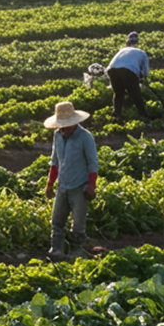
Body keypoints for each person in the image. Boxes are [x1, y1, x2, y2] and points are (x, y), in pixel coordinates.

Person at [44, 101, 99, 262]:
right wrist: (50, 183)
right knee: (57, 221)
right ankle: (56, 250)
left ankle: (78, 253)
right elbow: (55, 161)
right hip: (63, 186)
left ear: (74, 123)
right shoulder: (58, 136)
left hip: (79, 187)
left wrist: (91, 185)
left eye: (66, 126)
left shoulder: (85, 137)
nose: (63, 130)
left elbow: (93, 163)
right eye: (61, 126)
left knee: (78, 225)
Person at [106, 31, 151, 121]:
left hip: (112, 70)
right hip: (128, 71)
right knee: (136, 95)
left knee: (118, 94)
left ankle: (117, 114)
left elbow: (111, 65)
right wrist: (141, 79)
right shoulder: (142, 53)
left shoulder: (122, 50)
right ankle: (144, 115)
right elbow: (145, 72)